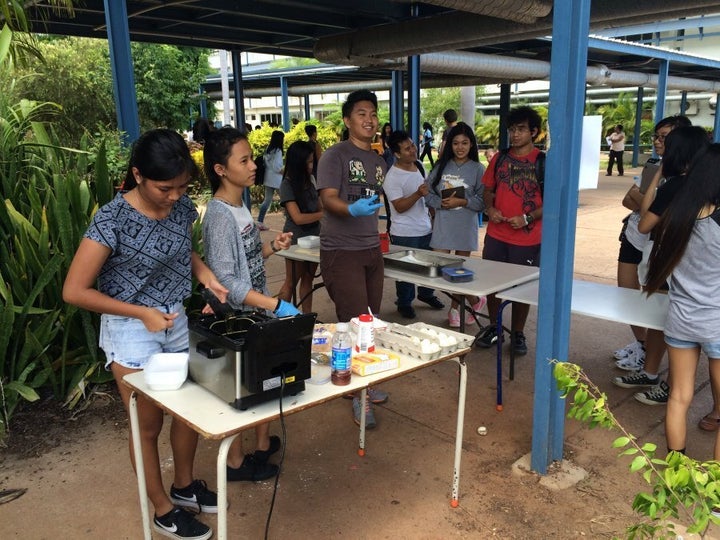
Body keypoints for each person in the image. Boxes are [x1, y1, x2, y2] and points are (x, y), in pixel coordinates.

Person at [62, 129, 228, 540]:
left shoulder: (181, 207)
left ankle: (184, 486)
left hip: (174, 321)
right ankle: (162, 508)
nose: (174, 196)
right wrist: (140, 312)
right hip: (131, 331)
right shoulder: (111, 219)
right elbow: (74, 290)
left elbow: (181, 250)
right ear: (137, 175)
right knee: (147, 426)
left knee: (191, 410)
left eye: (182, 187)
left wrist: (204, 275)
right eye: (164, 188)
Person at [201, 127, 301, 481]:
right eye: (243, 160)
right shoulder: (218, 216)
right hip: (238, 316)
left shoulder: (240, 205)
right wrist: (274, 304)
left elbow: (246, 258)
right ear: (220, 169)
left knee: (262, 382)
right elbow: (225, 280)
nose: (253, 165)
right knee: (238, 392)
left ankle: (261, 446)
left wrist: (273, 247)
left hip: (255, 311)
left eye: (251, 157)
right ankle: (235, 463)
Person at [616, 127, 712, 411]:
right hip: (699, 268)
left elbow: (645, 221)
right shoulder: (705, 184)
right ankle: (652, 373)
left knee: (673, 325)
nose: (660, 147)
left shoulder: (675, 185)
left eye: (666, 145)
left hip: (672, 265)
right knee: (666, 321)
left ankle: (668, 385)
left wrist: (660, 176)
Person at [643, 143, 720, 465]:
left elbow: (644, 223)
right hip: (716, 322)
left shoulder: (676, 217)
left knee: (678, 396)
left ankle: (676, 470)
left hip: (680, 318)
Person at [316, 89, 388, 429]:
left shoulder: (378, 160)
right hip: (341, 250)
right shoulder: (334, 155)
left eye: (373, 113)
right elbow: (328, 199)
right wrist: (351, 208)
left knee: (370, 322)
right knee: (353, 323)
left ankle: (366, 380)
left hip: (370, 248)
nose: (369, 119)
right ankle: (358, 395)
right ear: (347, 120)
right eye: (361, 113)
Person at [611, 116, 692, 376]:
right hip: (633, 234)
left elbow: (649, 210)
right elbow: (629, 200)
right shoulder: (653, 164)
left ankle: (651, 364)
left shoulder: (687, 175)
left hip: (656, 243)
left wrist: (647, 200)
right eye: (656, 136)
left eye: (664, 136)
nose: (657, 141)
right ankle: (642, 344)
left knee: (655, 302)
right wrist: (648, 201)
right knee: (627, 293)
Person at [475, 106, 544, 356]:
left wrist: (528, 217)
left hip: (527, 240)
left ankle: (517, 332)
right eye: (512, 130)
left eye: (521, 129)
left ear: (534, 132)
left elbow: (551, 204)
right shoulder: (499, 159)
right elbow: (487, 190)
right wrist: (490, 209)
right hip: (496, 235)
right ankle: (495, 327)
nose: (515, 135)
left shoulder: (541, 161)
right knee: (492, 284)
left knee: (522, 289)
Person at [423, 122, 485, 328]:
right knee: (440, 268)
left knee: (459, 272)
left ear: (471, 145)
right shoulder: (441, 166)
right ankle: (475, 300)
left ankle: (454, 309)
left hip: (465, 227)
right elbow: (427, 193)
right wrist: (439, 203)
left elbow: (483, 201)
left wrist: (463, 201)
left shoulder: (478, 169)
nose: (460, 147)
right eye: (456, 143)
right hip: (443, 225)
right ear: (450, 145)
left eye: (465, 143)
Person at [384, 130, 444, 319]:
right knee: (406, 271)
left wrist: (434, 218)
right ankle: (404, 302)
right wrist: (418, 194)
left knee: (428, 265)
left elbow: (428, 195)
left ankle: (426, 294)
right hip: (404, 232)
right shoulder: (392, 177)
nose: (413, 150)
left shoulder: (418, 166)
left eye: (412, 145)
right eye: (407, 148)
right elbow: (400, 207)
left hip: (425, 227)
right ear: (397, 154)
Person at [277, 141, 323, 313]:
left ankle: (307, 317)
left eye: (312, 161)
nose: (311, 166)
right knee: (291, 281)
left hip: (314, 237)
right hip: (295, 239)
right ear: (299, 163)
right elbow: (298, 218)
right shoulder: (287, 184)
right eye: (309, 162)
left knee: (308, 280)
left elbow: (320, 206)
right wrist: (323, 215)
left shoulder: (310, 180)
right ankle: (280, 320)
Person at [256, 130, 285, 231]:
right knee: (286, 200)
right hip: (277, 180)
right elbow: (277, 167)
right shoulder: (278, 151)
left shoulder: (268, 149)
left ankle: (259, 221)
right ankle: (291, 220)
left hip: (268, 179)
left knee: (267, 201)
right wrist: (284, 171)